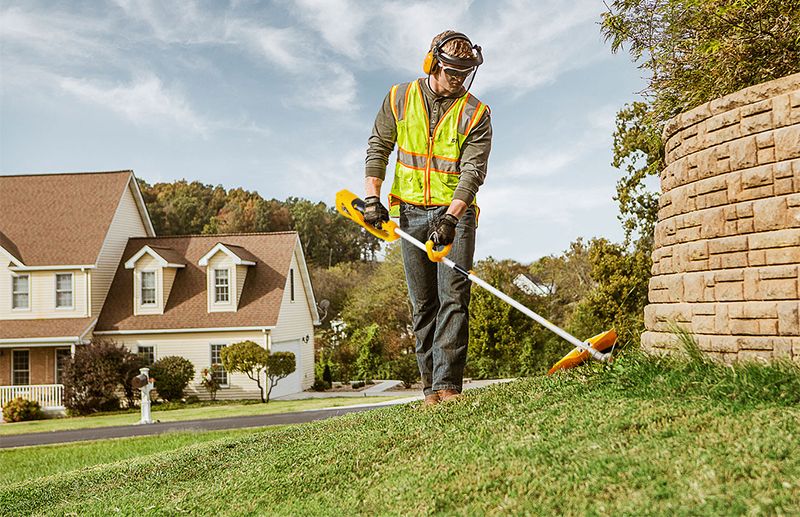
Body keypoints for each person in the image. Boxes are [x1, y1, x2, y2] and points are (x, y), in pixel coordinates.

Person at [363, 30, 492, 406]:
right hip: (409, 212)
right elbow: (379, 147)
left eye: (465, 72)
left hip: (455, 215)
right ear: (433, 62)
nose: (459, 79)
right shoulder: (399, 97)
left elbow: (472, 173)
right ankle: (430, 391)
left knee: (453, 297)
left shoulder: (477, 113)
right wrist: (372, 198)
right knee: (423, 304)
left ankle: (448, 386)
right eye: (453, 71)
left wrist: (451, 218)